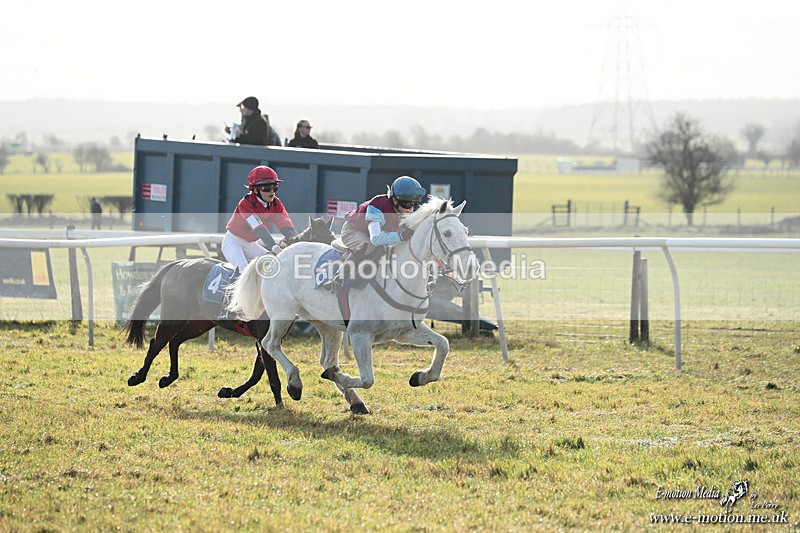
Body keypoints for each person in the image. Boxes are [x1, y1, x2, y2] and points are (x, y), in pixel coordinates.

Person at [327, 176, 425, 285]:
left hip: (375, 232)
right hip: (353, 230)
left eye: (415, 204)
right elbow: (376, 239)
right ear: (394, 199)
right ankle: (338, 277)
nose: (410, 209)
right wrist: (401, 236)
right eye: (407, 203)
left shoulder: (403, 211)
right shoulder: (378, 205)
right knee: (368, 246)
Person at [221, 165, 298, 272]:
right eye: (266, 188)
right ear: (255, 189)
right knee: (243, 271)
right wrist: (275, 248)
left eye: (274, 187)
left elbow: (285, 225)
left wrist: (296, 240)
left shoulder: (276, 203)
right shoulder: (246, 204)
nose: (271, 192)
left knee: (274, 266)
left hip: (251, 245)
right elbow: (259, 228)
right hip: (233, 243)